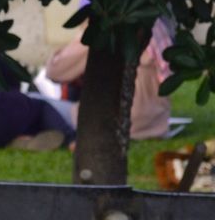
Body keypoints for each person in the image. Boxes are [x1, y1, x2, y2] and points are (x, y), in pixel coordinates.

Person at [44, 19, 173, 140]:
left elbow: (55, 71)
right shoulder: (155, 22)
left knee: (39, 104)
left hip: (119, 122)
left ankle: (65, 139)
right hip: (157, 124)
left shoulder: (105, 26)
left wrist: (80, 34)